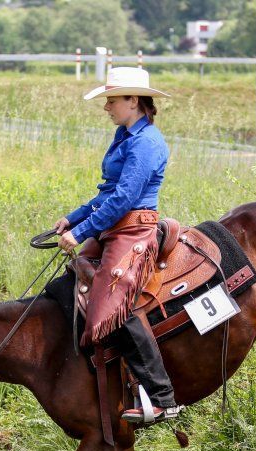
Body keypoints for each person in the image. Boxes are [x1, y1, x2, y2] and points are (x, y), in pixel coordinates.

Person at [54, 66, 180, 424]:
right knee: (72, 285)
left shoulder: (147, 142)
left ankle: (161, 396)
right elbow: (107, 192)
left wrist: (80, 234)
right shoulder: (125, 137)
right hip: (112, 227)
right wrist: (74, 217)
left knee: (111, 308)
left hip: (133, 232)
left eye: (112, 99)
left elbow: (124, 198)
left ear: (133, 101)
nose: (107, 106)